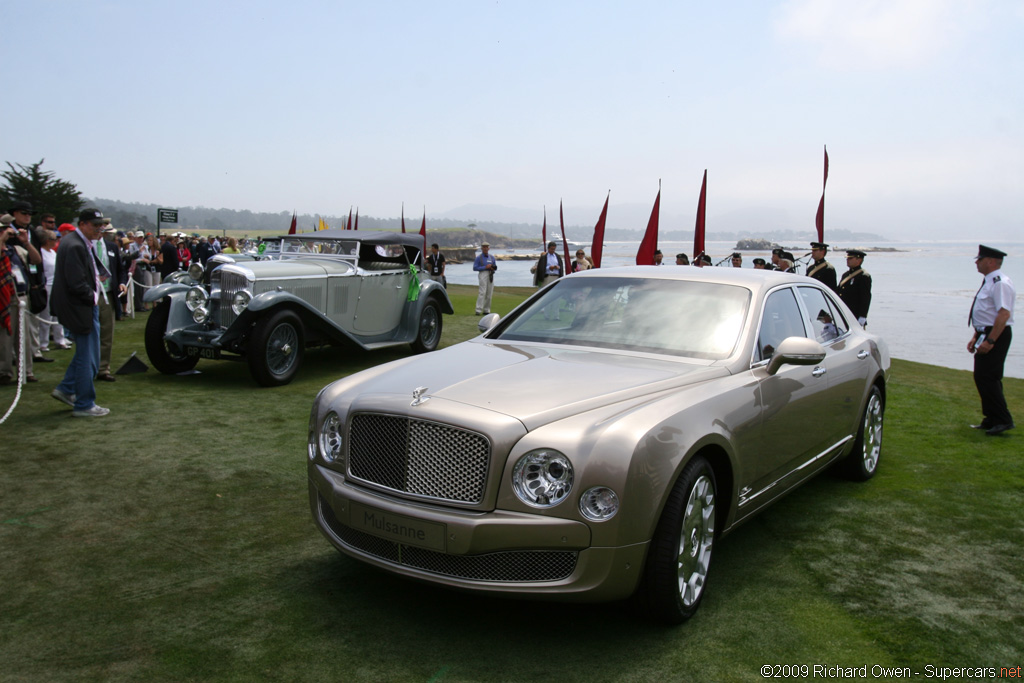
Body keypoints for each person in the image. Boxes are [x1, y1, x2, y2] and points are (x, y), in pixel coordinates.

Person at [50, 209, 110, 417]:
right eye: (95, 225)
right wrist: (93, 298)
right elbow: (76, 283)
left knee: (87, 353)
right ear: (83, 224)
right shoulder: (75, 245)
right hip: (80, 306)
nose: (99, 229)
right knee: (88, 357)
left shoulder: (76, 242)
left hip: (79, 305)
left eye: (100, 225)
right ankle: (84, 403)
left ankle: (66, 388)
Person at [967, 244, 1015, 435]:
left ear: (991, 261)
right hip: (984, 332)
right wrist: (976, 336)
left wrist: (991, 340)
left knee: (989, 377)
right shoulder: (989, 281)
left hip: (995, 334)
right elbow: (985, 313)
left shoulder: (1000, 282)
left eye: (979, 259)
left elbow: (1003, 314)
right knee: (982, 376)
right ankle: (991, 417)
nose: (977, 263)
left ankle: (1003, 419)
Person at [1, 215, 41, 384]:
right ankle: (4, 371)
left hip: (21, 297)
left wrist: (25, 242)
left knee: (22, 337)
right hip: (4, 298)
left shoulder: (16, 250)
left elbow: (36, 259)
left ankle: (26, 371)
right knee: (4, 338)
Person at [95, 225, 127, 381]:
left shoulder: (112, 247)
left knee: (107, 334)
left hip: (108, 293)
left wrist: (122, 282)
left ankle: (103, 368)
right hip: (91, 295)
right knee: (90, 333)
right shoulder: (86, 246)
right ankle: (89, 367)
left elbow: (120, 269)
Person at [37, 229, 71, 350]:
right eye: (54, 239)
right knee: (46, 316)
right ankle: (43, 342)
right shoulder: (41, 252)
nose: (57, 241)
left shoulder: (52, 252)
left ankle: (60, 339)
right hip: (47, 286)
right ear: (47, 241)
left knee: (58, 315)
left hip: (56, 285)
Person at [838, 249, 872, 326]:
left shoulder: (863, 276)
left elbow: (865, 297)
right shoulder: (845, 275)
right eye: (847, 258)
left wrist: (862, 316)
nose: (847, 260)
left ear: (859, 260)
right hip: (843, 313)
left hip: (854, 315)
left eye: (850, 258)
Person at [473, 242, 497, 315]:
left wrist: (492, 268)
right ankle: (478, 309)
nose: (485, 248)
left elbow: (495, 266)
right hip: (483, 273)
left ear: (489, 248)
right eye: (484, 247)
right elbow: (475, 267)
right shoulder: (479, 258)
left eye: (487, 247)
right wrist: (485, 267)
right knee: (482, 292)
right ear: (482, 248)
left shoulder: (492, 257)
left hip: (490, 274)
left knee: (489, 293)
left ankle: (486, 310)